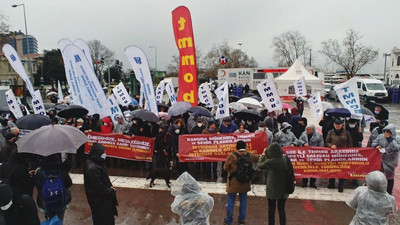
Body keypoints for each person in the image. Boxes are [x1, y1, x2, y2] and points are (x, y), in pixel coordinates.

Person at [223, 141, 260, 225]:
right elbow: (258, 158)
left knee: (231, 201)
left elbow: (225, 168)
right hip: (245, 182)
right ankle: (241, 219)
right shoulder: (250, 155)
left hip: (233, 183)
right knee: (243, 200)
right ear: (245, 146)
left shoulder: (232, 155)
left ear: (236, 147)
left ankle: (229, 220)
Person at [84, 143, 118, 225]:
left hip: (103, 200)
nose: (105, 155)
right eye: (103, 153)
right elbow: (97, 187)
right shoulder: (92, 168)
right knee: (103, 220)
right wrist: (110, 191)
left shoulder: (98, 162)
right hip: (99, 201)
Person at [257, 143, 289, 225]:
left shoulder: (270, 162)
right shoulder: (285, 159)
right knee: (281, 209)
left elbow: (259, 166)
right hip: (284, 188)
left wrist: (263, 155)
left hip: (272, 188)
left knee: (271, 209)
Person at [34, 154, 72, 222]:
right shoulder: (61, 171)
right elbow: (69, 183)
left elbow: (38, 186)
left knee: (50, 219)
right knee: (59, 220)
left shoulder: (40, 172)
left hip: (46, 202)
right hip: (61, 201)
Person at [325, 118, 353, 192]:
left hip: (343, 155)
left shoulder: (346, 133)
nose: (337, 125)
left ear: (342, 125)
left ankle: (341, 185)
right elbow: (327, 142)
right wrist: (331, 146)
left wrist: (348, 153)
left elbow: (350, 144)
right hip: (333, 154)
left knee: (342, 170)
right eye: (336, 124)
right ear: (334, 125)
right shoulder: (330, 132)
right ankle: (331, 183)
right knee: (332, 169)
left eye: (339, 124)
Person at [371, 124, 400, 195]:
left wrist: (390, 140)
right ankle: (379, 189)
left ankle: (389, 191)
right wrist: (376, 146)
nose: (386, 134)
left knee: (390, 176)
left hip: (391, 160)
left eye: (388, 132)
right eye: (385, 132)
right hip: (381, 158)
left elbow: (396, 148)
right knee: (379, 175)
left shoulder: (396, 138)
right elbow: (374, 142)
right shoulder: (380, 136)